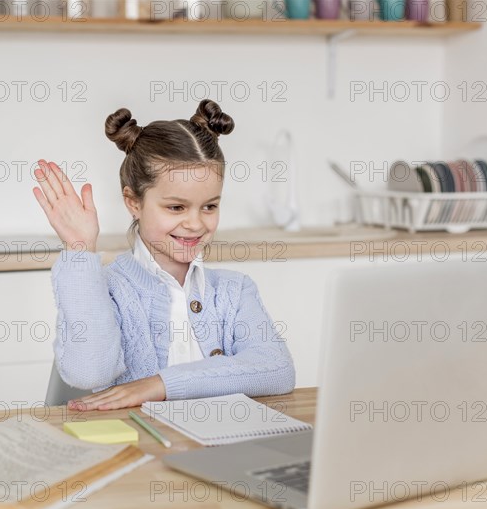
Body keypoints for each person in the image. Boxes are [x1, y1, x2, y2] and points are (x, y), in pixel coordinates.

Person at [32, 99, 295, 411]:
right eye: (176, 207)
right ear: (133, 202)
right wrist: (79, 250)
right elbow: (89, 372)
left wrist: (159, 385)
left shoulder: (234, 291)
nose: (196, 223)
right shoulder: (107, 288)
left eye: (209, 206)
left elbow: (277, 369)